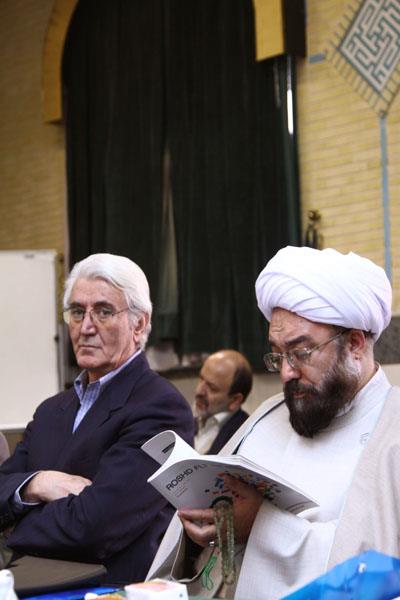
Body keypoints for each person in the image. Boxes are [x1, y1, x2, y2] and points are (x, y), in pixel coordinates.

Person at [147, 246, 399, 599]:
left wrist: (259, 524)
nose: (286, 373)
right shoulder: (267, 415)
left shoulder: (392, 432)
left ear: (355, 344)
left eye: (301, 352)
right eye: (278, 354)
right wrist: (203, 530)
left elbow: (382, 572)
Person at [0, 253, 194, 585]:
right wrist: (37, 484)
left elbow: (94, 527)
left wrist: (13, 523)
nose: (86, 327)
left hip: (106, 590)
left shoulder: (160, 407)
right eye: (77, 312)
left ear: (139, 324)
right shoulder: (50, 410)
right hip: (26, 586)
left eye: (103, 312)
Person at [194, 350, 251, 454]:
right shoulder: (187, 422)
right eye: (201, 379)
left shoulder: (245, 437)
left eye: (212, 388)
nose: (199, 391)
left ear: (235, 400)